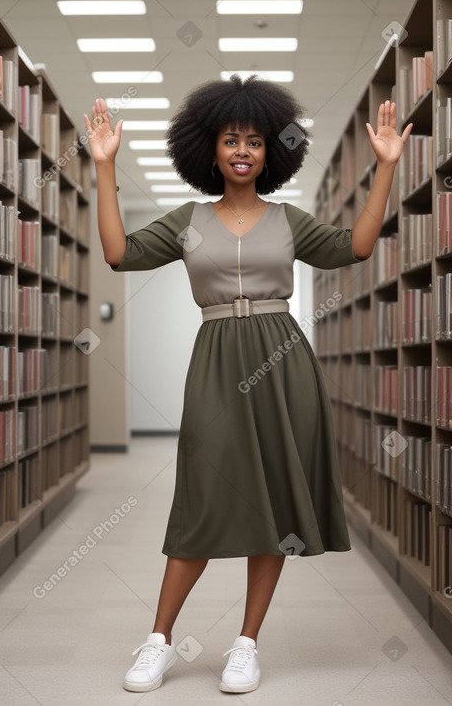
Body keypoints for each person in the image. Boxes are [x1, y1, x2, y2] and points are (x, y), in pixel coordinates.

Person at [83, 74, 412, 695]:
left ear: (270, 153)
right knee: (202, 499)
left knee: (277, 504)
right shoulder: (188, 220)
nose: (243, 150)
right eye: (231, 139)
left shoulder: (289, 220)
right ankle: (158, 641)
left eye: (255, 142)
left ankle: (246, 645)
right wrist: (105, 167)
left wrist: (386, 168)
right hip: (215, 363)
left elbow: (358, 247)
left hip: (284, 361)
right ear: (210, 150)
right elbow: (118, 253)